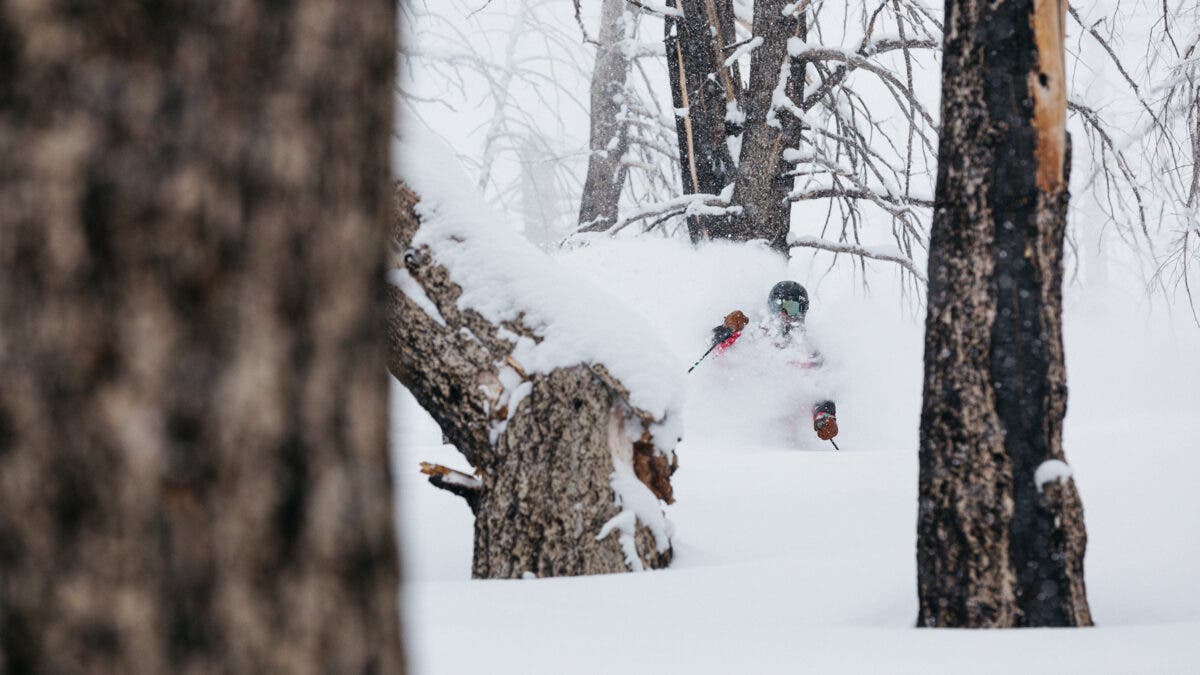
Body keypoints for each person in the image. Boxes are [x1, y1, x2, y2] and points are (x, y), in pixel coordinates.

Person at [709, 280, 839, 442]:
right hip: (733, 425)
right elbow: (714, 354)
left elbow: (820, 389)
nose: (783, 313)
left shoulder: (808, 351)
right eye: (778, 306)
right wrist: (727, 330)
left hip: (783, 437)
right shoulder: (753, 334)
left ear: (801, 312)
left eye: (791, 307)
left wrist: (824, 417)